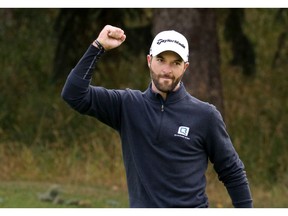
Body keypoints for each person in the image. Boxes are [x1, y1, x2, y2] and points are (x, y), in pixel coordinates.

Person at [61, 25, 253, 208]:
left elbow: (232, 172)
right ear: (149, 61)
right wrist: (98, 46)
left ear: (185, 67)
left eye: (175, 63)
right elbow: (73, 94)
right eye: (161, 60)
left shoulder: (205, 115)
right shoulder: (127, 105)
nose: (167, 71)